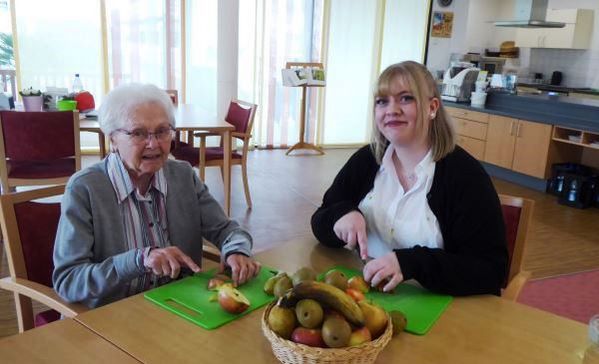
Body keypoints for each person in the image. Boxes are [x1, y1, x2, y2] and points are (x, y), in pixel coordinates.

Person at [53, 83, 261, 308]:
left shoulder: (182, 176)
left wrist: (237, 250)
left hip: (179, 308)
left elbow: (226, 230)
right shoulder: (85, 189)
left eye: (162, 131)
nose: (153, 144)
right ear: (112, 139)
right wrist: (138, 260)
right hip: (114, 315)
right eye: (138, 133)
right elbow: (69, 280)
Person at [311, 61, 507, 296]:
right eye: (382, 101)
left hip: (442, 311)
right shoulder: (366, 160)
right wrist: (340, 214)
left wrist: (410, 263)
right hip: (367, 298)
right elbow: (319, 221)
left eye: (406, 98)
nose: (391, 110)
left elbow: (490, 271)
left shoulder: (465, 177)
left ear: (432, 107)